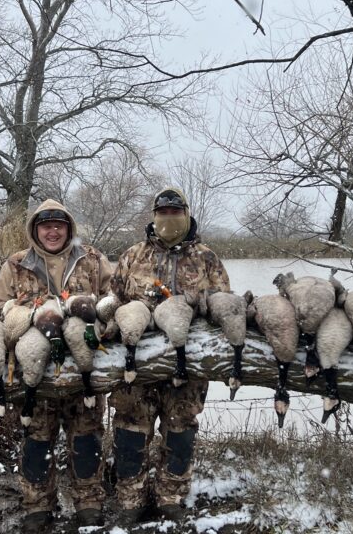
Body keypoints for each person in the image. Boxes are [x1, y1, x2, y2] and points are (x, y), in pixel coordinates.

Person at [110, 187, 230, 523]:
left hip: (187, 370)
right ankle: (130, 501)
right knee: (130, 433)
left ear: (187, 214)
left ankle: (170, 498)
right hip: (137, 370)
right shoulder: (132, 256)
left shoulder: (207, 259)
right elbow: (114, 303)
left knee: (180, 433)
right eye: (162, 212)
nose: (168, 218)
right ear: (154, 216)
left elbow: (223, 309)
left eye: (175, 212)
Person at [0, 199, 113, 532]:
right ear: (35, 229)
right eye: (45, 226)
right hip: (36, 372)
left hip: (82, 369)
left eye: (59, 225)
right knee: (36, 440)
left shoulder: (93, 259)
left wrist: (96, 319)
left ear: (68, 227)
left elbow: (113, 300)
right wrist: (29, 314)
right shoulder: (16, 264)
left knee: (86, 438)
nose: (53, 231)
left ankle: (88, 501)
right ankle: (37, 505)